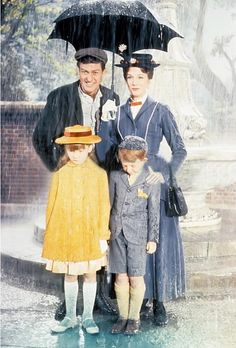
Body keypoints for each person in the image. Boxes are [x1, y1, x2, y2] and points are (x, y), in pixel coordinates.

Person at [33, 47, 119, 317]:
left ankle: (100, 296)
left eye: (95, 72)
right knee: (71, 229)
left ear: (103, 72)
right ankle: (68, 299)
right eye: (84, 72)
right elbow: (39, 138)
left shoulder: (113, 98)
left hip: (99, 178)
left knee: (98, 230)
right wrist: (58, 166)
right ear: (78, 71)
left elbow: (116, 138)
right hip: (71, 178)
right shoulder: (59, 97)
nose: (89, 78)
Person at [114, 53, 187, 326]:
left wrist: (163, 173)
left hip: (154, 185)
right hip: (130, 185)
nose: (134, 82)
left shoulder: (161, 111)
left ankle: (159, 301)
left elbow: (180, 149)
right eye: (130, 77)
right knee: (133, 241)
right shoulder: (118, 112)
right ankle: (140, 297)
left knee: (156, 241)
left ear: (150, 79)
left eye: (140, 77)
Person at [42, 125, 110, 334]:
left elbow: (104, 206)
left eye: (81, 149)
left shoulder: (99, 175)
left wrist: (102, 235)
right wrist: (50, 234)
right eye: (72, 149)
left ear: (90, 148)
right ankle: (70, 316)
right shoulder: (60, 174)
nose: (76, 154)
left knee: (90, 274)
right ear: (67, 149)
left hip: (89, 234)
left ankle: (88, 317)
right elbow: (51, 206)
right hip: (66, 234)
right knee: (70, 275)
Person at [109, 135, 160, 335]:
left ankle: (134, 318)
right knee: (120, 277)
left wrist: (152, 238)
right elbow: (109, 205)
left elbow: (153, 211)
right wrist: (105, 233)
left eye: (132, 165)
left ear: (143, 160)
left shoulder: (151, 180)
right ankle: (122, 316)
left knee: (135, 278)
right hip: (116, 234)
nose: (127, 168)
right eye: (124, 164)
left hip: (139, 236)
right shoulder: (115, 177)